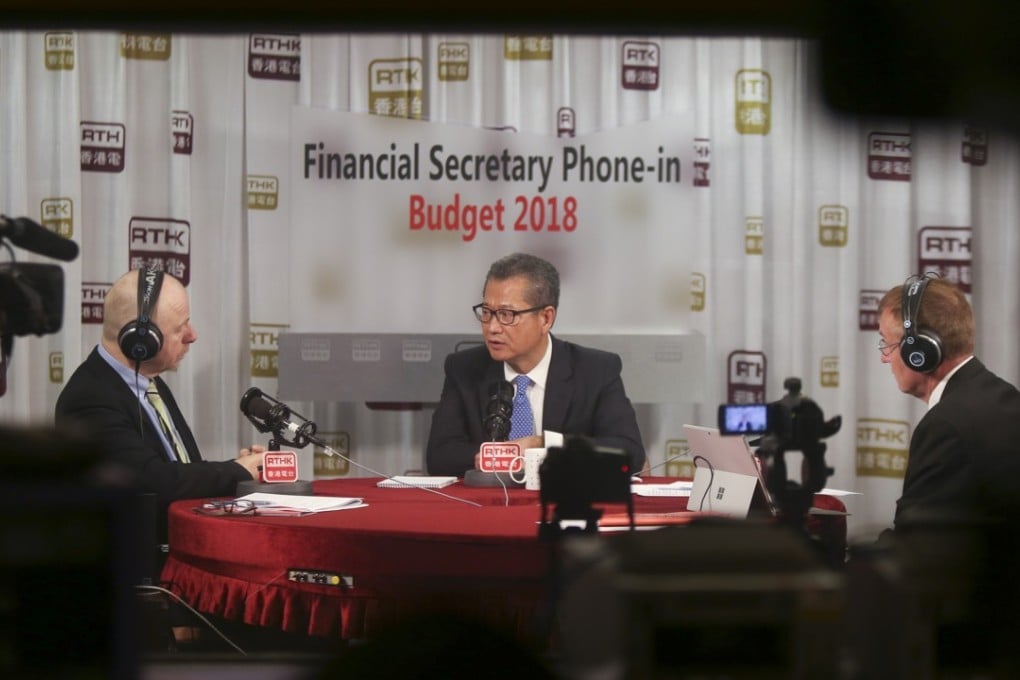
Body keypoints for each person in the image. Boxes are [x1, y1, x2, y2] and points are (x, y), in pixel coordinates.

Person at [55, 268, 263, 543]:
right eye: (180, 328)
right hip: (136, 573)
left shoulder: (150, 381)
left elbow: (181, 469)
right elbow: (153, 481)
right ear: (140, 342)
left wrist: (241, 471)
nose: (193, 335)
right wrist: (237, 470)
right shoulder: (89, 399)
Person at [426, 252, 646, 476]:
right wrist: (499, 457)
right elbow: (440, 456)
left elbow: (629, 452)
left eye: (506, 314)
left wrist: (544, 445)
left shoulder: (596, 371)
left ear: (545, 319)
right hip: (489, 506)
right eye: (487, 312)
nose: (492, 327)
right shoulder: (463, 369)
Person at [876, 274, 1020, 530]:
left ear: (919, 351)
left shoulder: (945, 428)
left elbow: (914, 547)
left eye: (887, 344)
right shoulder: (1005, 396)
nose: (884, 358)